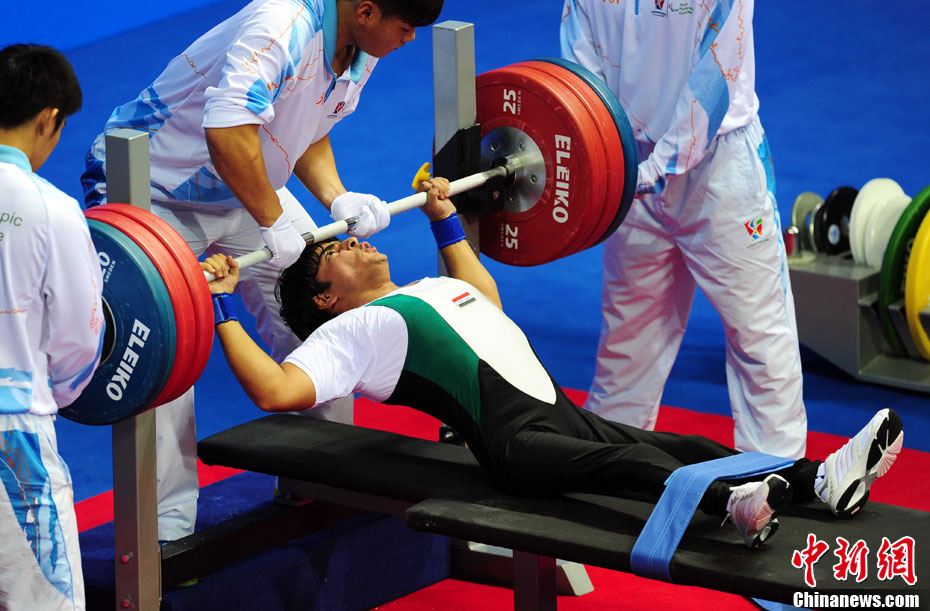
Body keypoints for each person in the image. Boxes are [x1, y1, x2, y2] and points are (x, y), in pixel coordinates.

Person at [202, 177, 903, 549]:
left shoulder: (428, 289)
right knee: (636, 464)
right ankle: (732, 509)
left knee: (686, 444)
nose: (354, 243)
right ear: (326, 296)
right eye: (337, 252)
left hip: (560, 416)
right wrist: (223, 304)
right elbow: (276, 389)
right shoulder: (353, 331)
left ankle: (820, 481)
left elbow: (484, 294)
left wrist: (445, 219)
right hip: (517, 444)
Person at [80, 0, 444, 541]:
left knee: (323, 315)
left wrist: (335, 195)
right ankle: (164, 535)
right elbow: (227, 131)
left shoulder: (360, 46)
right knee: (166, 353)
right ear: (367, 11)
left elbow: (308, 124)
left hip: (243, 188)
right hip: (151, 190)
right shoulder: (282, 26)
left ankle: (319, 483)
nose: (410, 40)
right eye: (406, 28)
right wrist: (272, 220)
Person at [559, 0, 808, 459]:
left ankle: (774, 477)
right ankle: (604, 474)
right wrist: (616, 162)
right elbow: (581, 77)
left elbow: (714, 80)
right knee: (629, 346)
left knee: (758, 337)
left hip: (714, 172)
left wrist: (632, 170)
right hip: (630, 166)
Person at [0, 43, 103, 610]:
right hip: (12, 438)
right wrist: (52, 395)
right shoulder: (53, 209)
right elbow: (78, 339)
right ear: (48, 119)